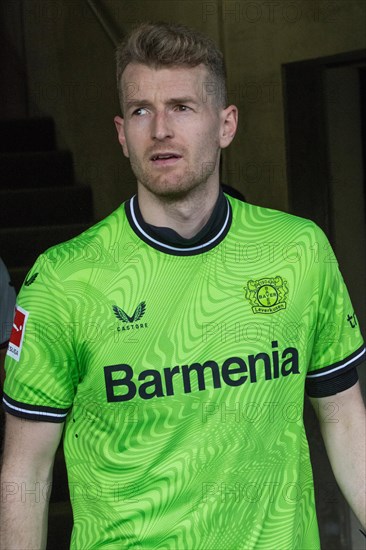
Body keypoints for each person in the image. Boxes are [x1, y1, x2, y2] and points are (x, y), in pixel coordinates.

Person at [1, 22, 365, 550]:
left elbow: (344, 417)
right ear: (122, 133)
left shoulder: (299, 250)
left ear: (226, 124)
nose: (161, 129)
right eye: (142, 111)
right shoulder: (63, 279)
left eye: (182, 107)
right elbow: (26, 471)